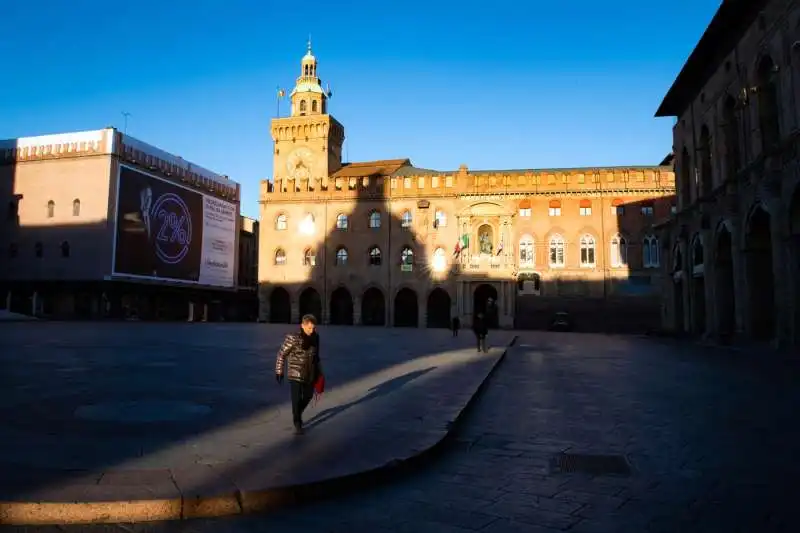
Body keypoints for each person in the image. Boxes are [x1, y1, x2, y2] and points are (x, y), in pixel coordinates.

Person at [275, 314, 322, 435]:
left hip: (310, 372)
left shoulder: (316, 338)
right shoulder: (293, 338)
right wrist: (279, 371)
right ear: (302, 326)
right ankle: (297, 422)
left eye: (313, 328)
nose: (311, 331)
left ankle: (297, 412)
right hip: (295, 372)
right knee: (296, 399)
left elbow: (316, 356)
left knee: (308, 396)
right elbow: (281, 354)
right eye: (309, 328)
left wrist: (319, 371)